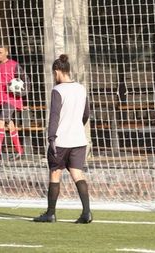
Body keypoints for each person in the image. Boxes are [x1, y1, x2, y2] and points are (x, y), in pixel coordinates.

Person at [33, 54, 92, 224]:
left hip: (61, 141)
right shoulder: (81, 88)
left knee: (55, 174)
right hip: (79, 140)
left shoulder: (58, 90)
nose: (54, 77)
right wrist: (76, 126)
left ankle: (50, 213)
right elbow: (86, 113)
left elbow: (54, 116)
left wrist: (51, 138)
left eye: (54, 73)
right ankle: (86, 213)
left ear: (57, 71)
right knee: (77, 174)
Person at [0, 46, 29, 161]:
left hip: (12, 99)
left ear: (6, 52)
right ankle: (20, 151)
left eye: (0, 52)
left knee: (0, 122)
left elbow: (26, 79)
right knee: (9, 124)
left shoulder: (14, 65)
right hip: (0, 98)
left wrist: (23, 92)